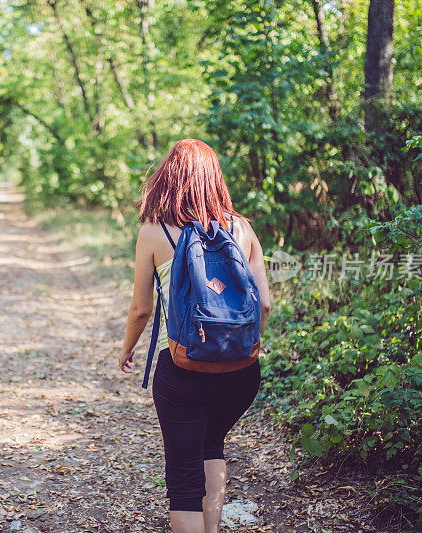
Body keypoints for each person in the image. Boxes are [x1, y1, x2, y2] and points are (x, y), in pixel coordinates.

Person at [117, 139, 271, 533]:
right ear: (214, 178)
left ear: (169, 178)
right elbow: (264, 305)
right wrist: (243, 349)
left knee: (183, 477)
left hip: (183, 368)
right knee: (212, 446)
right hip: (241, 370)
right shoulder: (243, 229)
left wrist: (127, 348)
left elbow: (141, 309)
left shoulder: (154, 232)